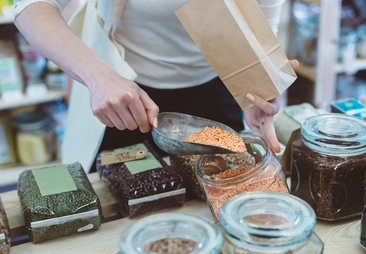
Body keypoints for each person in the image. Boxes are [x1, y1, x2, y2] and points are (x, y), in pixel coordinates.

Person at [13, 0, 298, 173]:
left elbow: (257, 30)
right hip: (123, 94)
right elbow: (30, 8)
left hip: (216, 90)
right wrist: (98, 77)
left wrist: (257, 91)